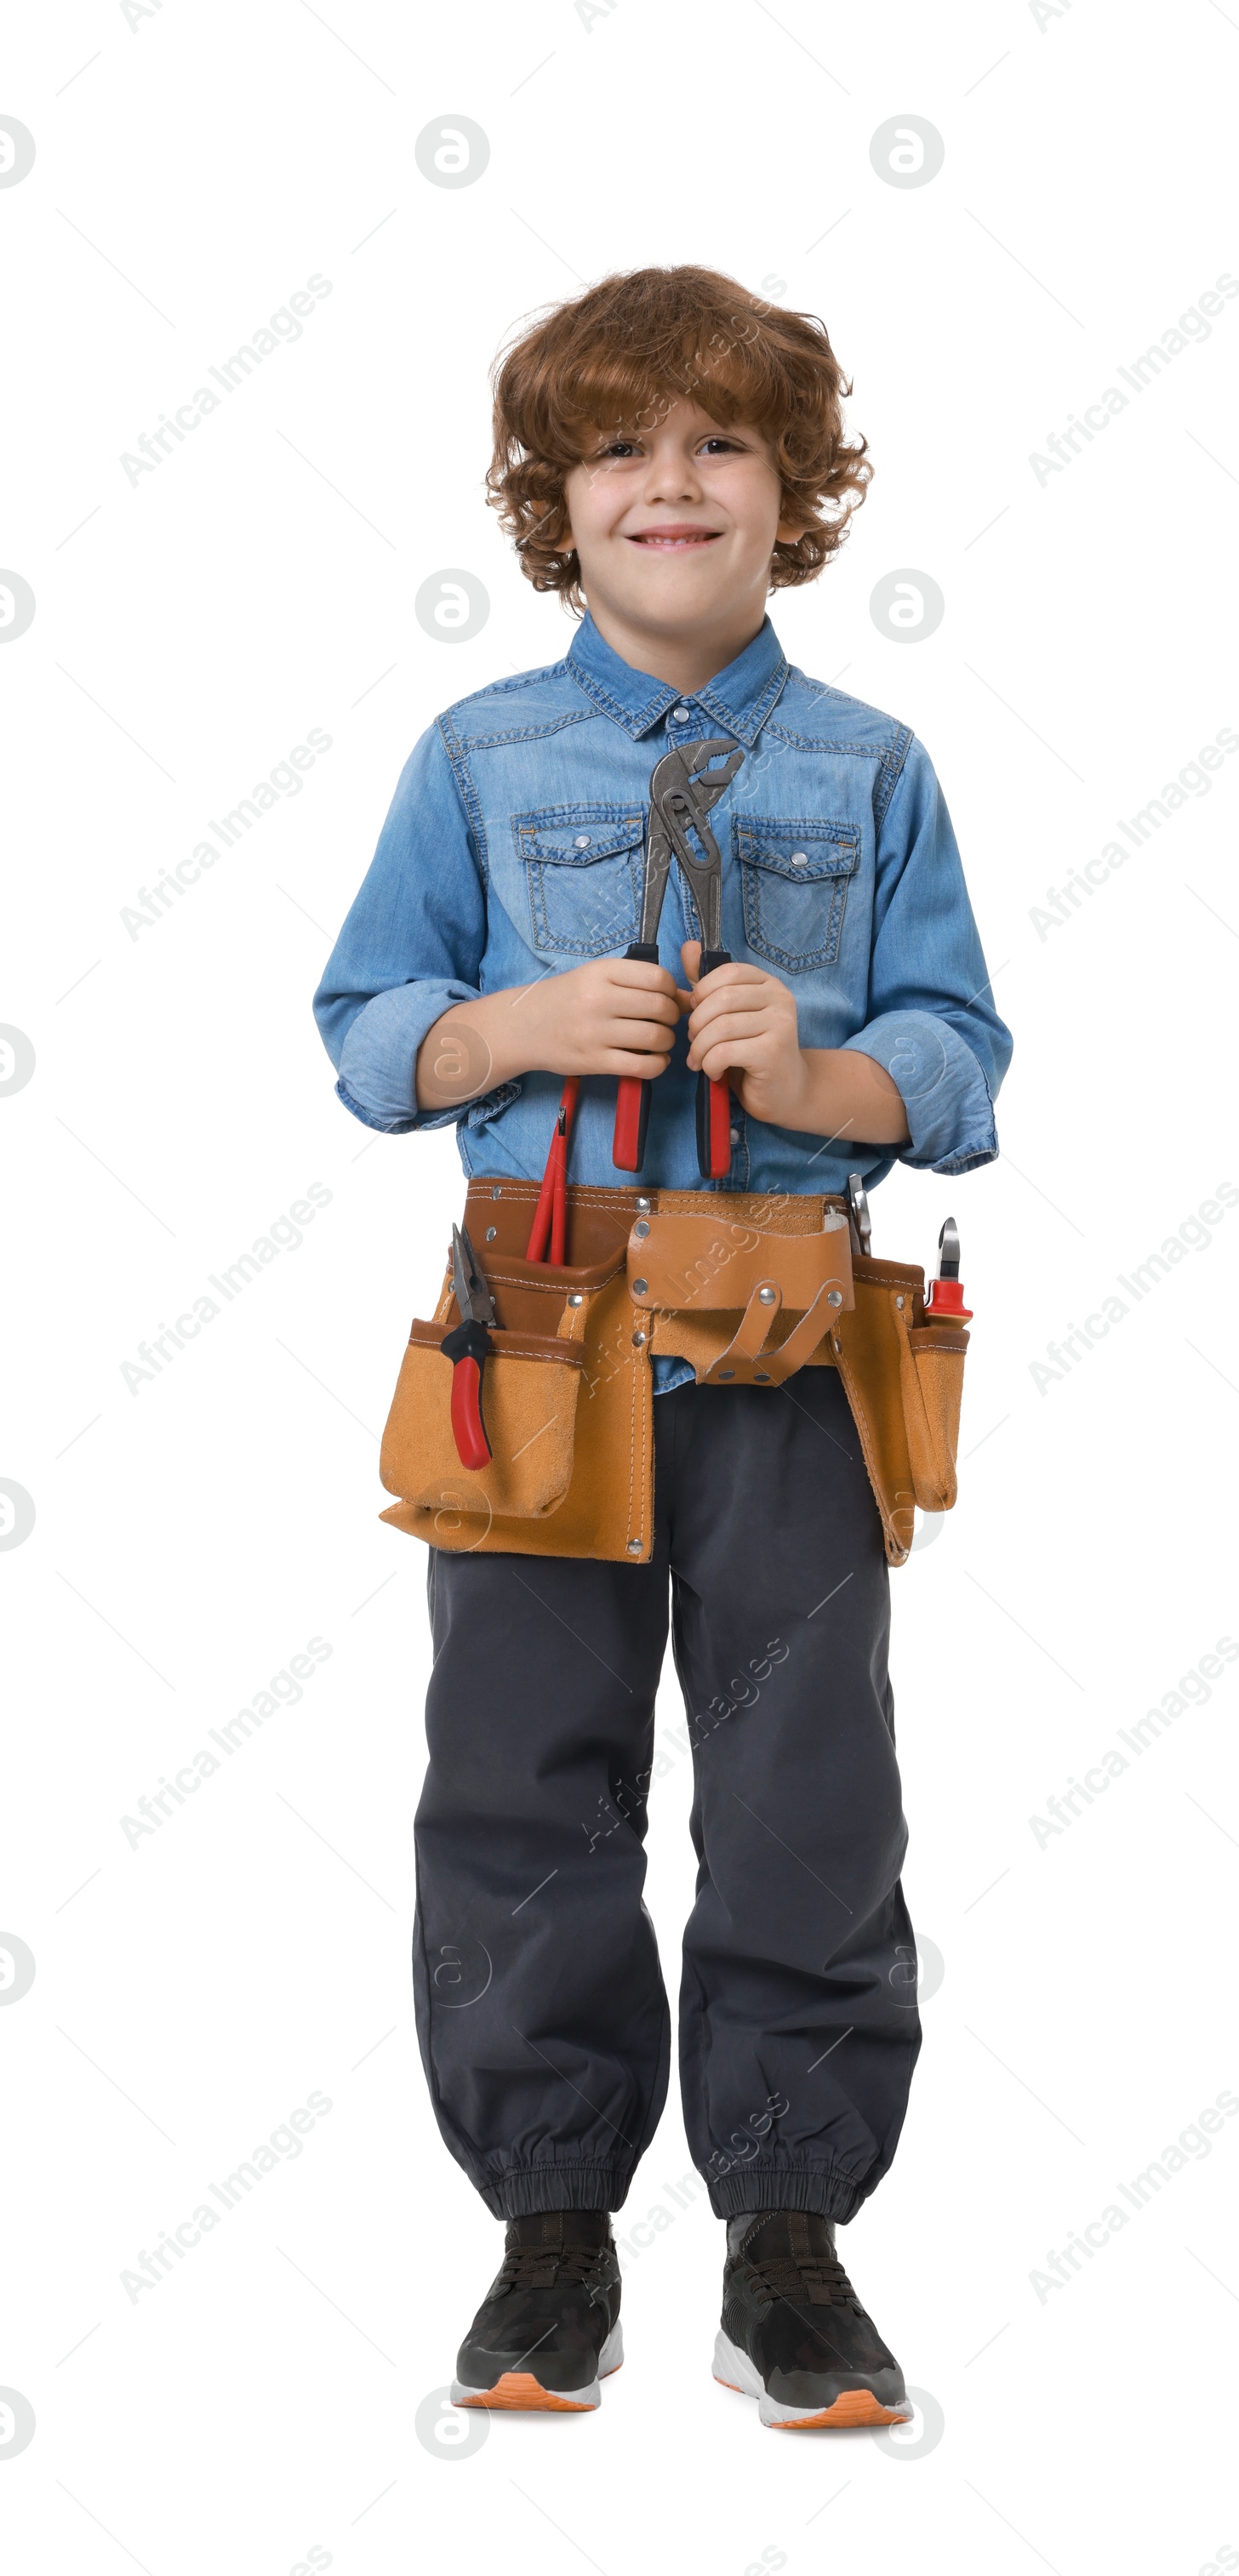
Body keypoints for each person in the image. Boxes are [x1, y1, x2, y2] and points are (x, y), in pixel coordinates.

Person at [314, 265, 1011, 2431]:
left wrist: (819, 1075)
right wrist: (498, 1029)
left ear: (793, 489)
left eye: (719, 442)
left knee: (809, 1791)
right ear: (555, 499)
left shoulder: (871, 765)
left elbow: (963, 1056)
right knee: (520, 1778)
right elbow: (361, 1030)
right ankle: (550, 2226)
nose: (670, 482)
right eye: (619, 446)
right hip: (528, 1339)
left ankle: (786, 2236)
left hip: (784, 1350)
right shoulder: (475, 754)